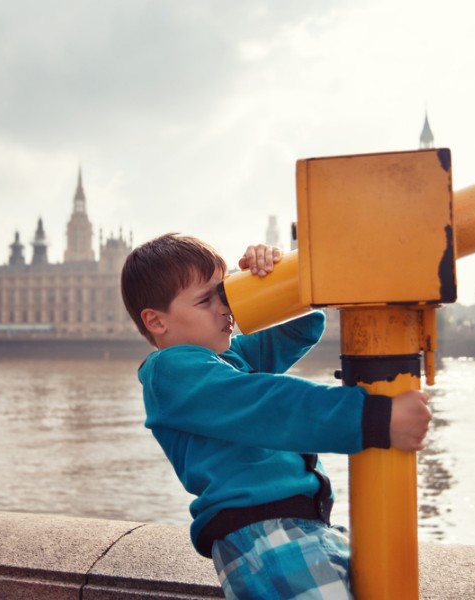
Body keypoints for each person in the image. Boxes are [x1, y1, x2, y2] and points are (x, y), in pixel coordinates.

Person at [120, 233, 431, 600]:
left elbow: (300, 327)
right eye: (207, 300)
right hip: (263, 535)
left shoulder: (229, 358)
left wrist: (271, 279)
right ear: (157, 322)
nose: (225, 308)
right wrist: (375, 418)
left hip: (298, 528)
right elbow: (270, 404)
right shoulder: (171, 372)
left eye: (225, 293)